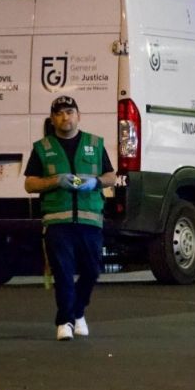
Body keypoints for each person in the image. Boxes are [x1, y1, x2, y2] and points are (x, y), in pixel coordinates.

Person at [24, 95, 116, 341]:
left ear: (78, 116)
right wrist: (55, 181)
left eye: (70, 112)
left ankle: (77, 311)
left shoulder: (95, 144)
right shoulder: (42, 148)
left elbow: (111, 176)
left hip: (90, 220)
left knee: (91, 270)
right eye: (60, 113)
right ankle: (64, 321)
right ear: (53, 119)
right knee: (63, 272)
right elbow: (29, 184)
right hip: (58, 221)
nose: (66, 117)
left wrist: (95, 182)